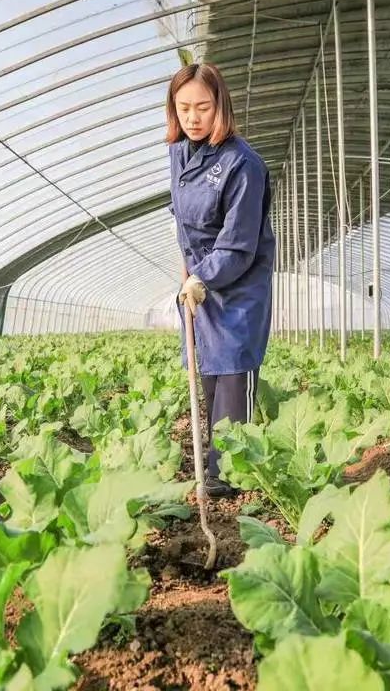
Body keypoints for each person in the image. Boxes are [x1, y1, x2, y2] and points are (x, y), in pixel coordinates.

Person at [166, 63, 275, 498]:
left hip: (236, 288)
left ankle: (230, 478)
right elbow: (182, 211)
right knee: (207, 377)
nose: (193, 117)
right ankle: (211, 469)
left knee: (232, 379)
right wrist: (187, 265)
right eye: (184, 107)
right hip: (199, 285)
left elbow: (237, 245)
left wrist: (202, 276)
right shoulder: (178, 151)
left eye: (203, 108)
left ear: (221, 108)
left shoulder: (243, 164)